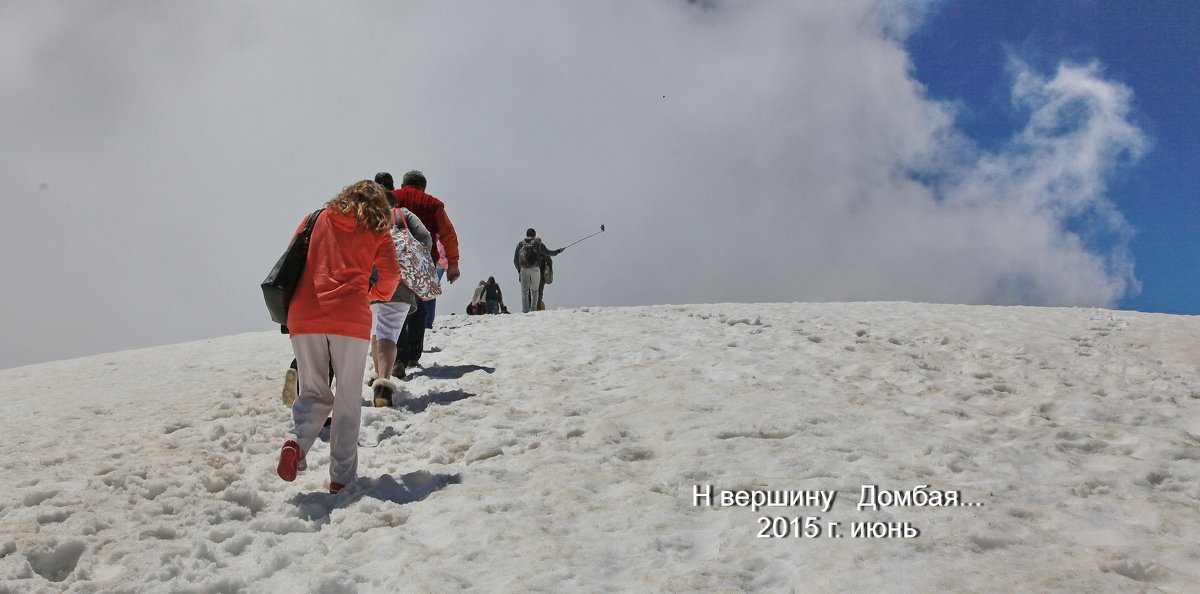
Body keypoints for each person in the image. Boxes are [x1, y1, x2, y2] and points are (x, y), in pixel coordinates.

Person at [276, 180, 400, 495]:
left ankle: (295, 442)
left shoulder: (314, 218)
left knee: (314, 390)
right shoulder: (377, 229)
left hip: (305, 313)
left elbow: (291, 258)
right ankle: (342, 477)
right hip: (350, 317)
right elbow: (391, 275)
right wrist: (372, 293)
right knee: (347, 399)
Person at [389, 170, 460, 375]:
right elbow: (448, 234)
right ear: (423, 187)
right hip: (423, 262)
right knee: (419, 308)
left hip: (392, 260)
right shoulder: (433, 203)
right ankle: (413, 355)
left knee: (397, 306)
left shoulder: (392, 198)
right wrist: (453, 264)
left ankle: (398, 357)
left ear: (403, 184)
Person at [369, 205, 432, 407]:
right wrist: (412, 261)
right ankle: (383, 383)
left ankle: (376, 372)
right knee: (388, 334)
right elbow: (426, 237)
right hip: (399, 284)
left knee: (374, 331)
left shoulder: (366, 213)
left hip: (369, 281)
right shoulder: (401, 214)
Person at [513, 228, 563, 313]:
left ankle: (525, 310)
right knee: (535, 291)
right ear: (534, 235)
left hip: (524, 269)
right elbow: (549, 253)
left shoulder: (520, 244)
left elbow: (515, 260)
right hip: (535, 269)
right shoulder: (538, 243)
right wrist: (558, 251)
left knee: (525, 291)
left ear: (526, 235)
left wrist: (519, 270)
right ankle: (534, 310)